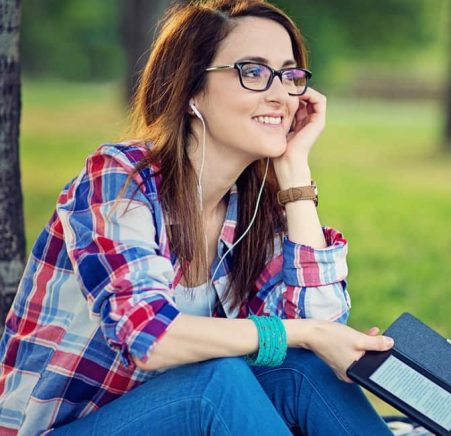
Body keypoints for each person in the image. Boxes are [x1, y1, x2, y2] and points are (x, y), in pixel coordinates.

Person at [0, 1, 395, 434]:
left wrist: (295, 170)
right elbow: (149, 336)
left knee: (302, 369)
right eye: (254, 71)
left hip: (177, 421)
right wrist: (302, 334)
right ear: (190, 88)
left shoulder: (252, 208)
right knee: (216, 382)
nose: (281, 95)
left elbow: (319, 332)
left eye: (290, 75)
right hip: (62, 428)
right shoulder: (121, 179)